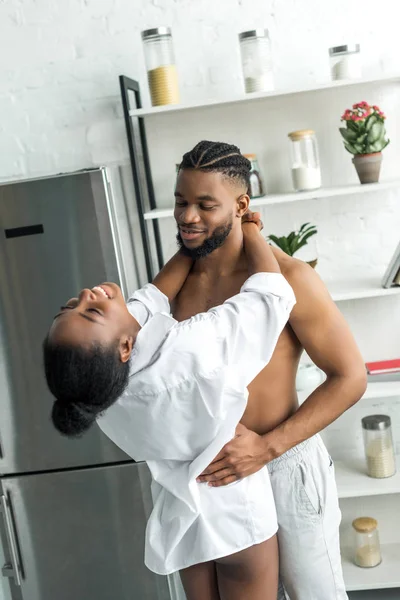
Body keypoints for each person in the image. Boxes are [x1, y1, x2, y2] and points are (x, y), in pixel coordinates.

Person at [43, 214, 296, 600]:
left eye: (72, 304)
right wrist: (249, 229)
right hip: (234, 514)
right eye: (91, 311)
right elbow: (269, 298)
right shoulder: (191, 349)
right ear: (124, 348)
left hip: (181, 521)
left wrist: (194, 243)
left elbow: (152, 297)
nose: (87, 295)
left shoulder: (102, 394)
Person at [171, 140, 368, 600]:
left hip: (283, 462)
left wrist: (266, 447)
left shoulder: (288, 278)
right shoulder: (177, 286)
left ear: (241, 205)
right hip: (213, 473)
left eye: (205, 205)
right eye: (181, 202)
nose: (188, 217)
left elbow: (350, 377)